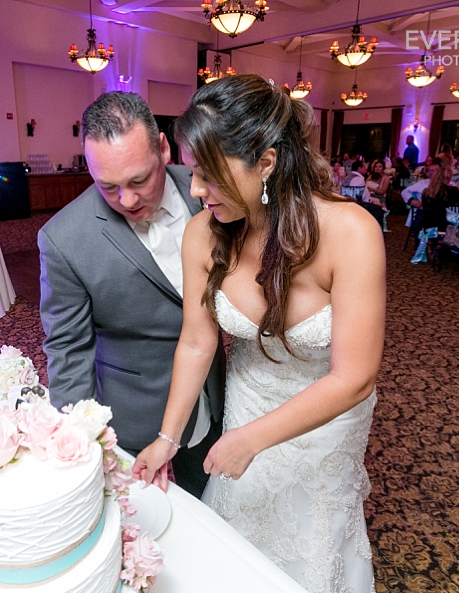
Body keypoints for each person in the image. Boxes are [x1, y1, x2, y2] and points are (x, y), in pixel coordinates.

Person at [132, 75, 384, 592]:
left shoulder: (351, 232)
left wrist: (252, 439)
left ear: (265, 163)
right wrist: (167, 438)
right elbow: (197, 341)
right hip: (248, 399)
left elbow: (355, 377)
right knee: (241, 528)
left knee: (313, 538)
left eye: (209, 176)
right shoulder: (202, 234)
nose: (195, 191)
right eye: (192, 172)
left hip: (327, 414)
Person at [38, 92, 225, 499]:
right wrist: (80, 442)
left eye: (139, 180)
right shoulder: (64, 239)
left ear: (163, 148)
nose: (127, 200)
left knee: (213, 505)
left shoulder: (209, 189)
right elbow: (67, 349)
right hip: (137, 417)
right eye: (108, 187)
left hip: (216, 395)